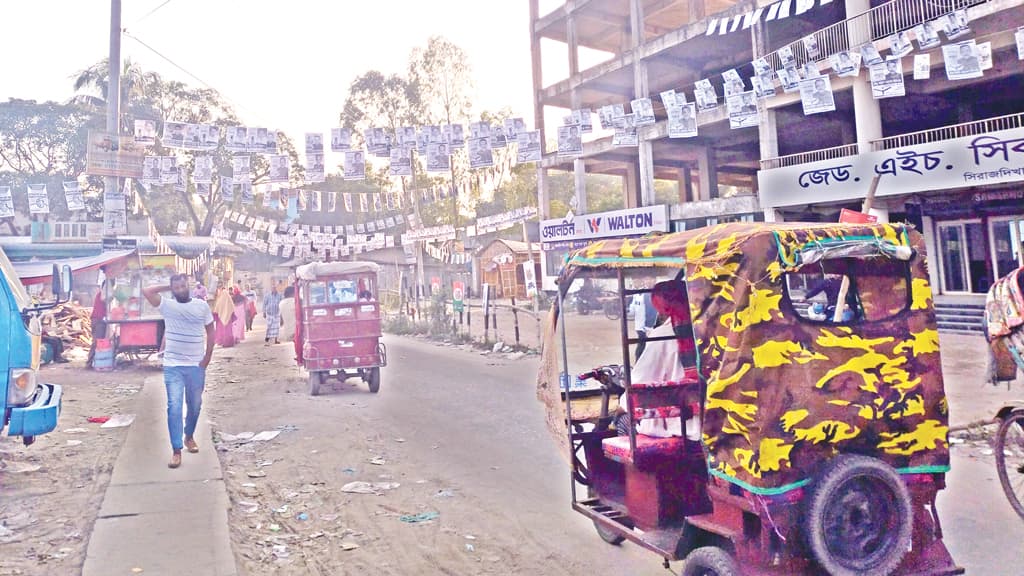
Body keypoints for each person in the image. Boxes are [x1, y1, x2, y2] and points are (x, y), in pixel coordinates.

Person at [142, 274, 215, 469]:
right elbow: (147, 291)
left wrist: (207, 357)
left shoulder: (201, 306)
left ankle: (189, 435)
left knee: (195, 405)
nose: (181, 290)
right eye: (178, 287)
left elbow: (211, 331)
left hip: (196, 365)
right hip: (173, 365)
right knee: (174, 406)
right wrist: (170, 286)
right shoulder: (167, 305)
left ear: (189, 286)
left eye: (184, 286)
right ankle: (176, 450)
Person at [87, 284, 108, 368]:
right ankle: (89, 363)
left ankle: (97, 361)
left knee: (98, 341)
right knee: (97, 341)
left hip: (98, 320)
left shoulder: (102, 294)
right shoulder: (102, 295)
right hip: (98, 320)